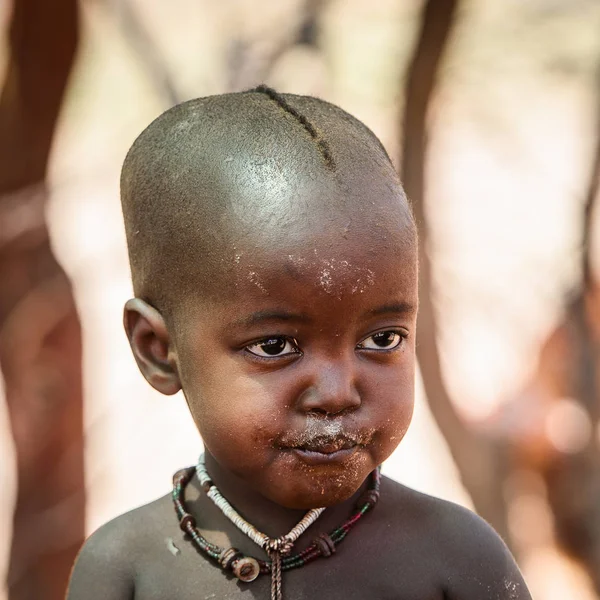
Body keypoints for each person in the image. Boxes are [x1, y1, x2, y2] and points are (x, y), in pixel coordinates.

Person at [67, 86, 532, 600]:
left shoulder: (457, 559)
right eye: (274, 346)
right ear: (158, 350)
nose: (337, 392)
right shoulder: (127, 570)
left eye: (382, 338)